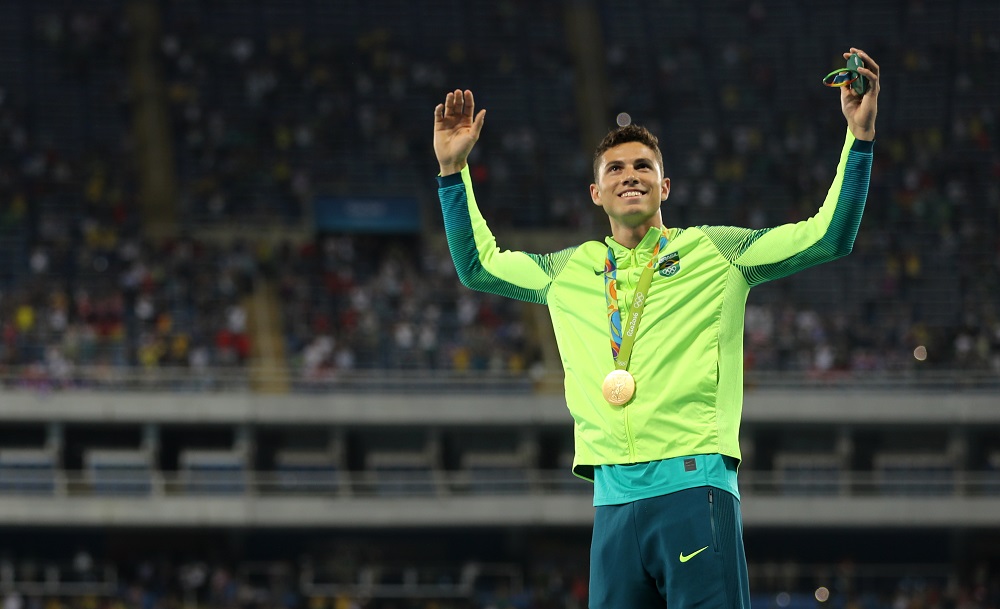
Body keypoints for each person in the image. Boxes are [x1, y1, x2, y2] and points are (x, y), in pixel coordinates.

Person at [434, 48, 880, 609]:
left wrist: (859, 138)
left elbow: (828, 236)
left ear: (664, 187)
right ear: (596, 193)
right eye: (615, 169)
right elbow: (478, 266)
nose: (630, 176)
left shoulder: (717, 253)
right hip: (612, 502)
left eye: (643, 167)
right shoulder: (566, 271)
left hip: (694, 486)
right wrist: (452, 172)